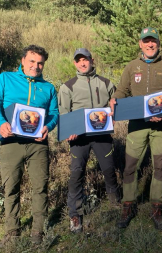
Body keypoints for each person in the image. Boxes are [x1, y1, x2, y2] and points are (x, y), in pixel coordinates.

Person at [109, 27, 162, 230]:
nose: (150, 44)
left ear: (158, 43)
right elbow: (123, 89)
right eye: (146, 41)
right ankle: (128, 205)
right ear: (140, 43)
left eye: (154, 41)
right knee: (130, 166)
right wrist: (115, 99)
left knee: (159, 166)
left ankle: (156, 207)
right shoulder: (132, 66)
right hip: (137, 124)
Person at [0, 45, 59, 246]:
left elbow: (54, 114)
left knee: (40, 187)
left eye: (40, 63)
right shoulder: (5, 78)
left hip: (38, 144)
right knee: (11, 188)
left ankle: (38, 231)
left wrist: (48, 126)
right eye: (32, 61)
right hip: (11, 142)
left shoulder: (48, 88)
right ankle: (12, 232)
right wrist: (1, 123)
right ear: (23, 60)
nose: (36, 66)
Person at [58, 48, 120, 234]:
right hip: (79, 139)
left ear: (92, 60)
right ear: (75, 63)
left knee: (109, 169)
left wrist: (114, 110)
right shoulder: (67, 87)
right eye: (79, 60)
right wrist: (69, 131)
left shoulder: (106, 83)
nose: (83, 63)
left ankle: (116, 202)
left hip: (102, 136)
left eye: (85, 60)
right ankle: (75, 213)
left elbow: (115, 103)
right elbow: (63, 112)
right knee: (77, 173)